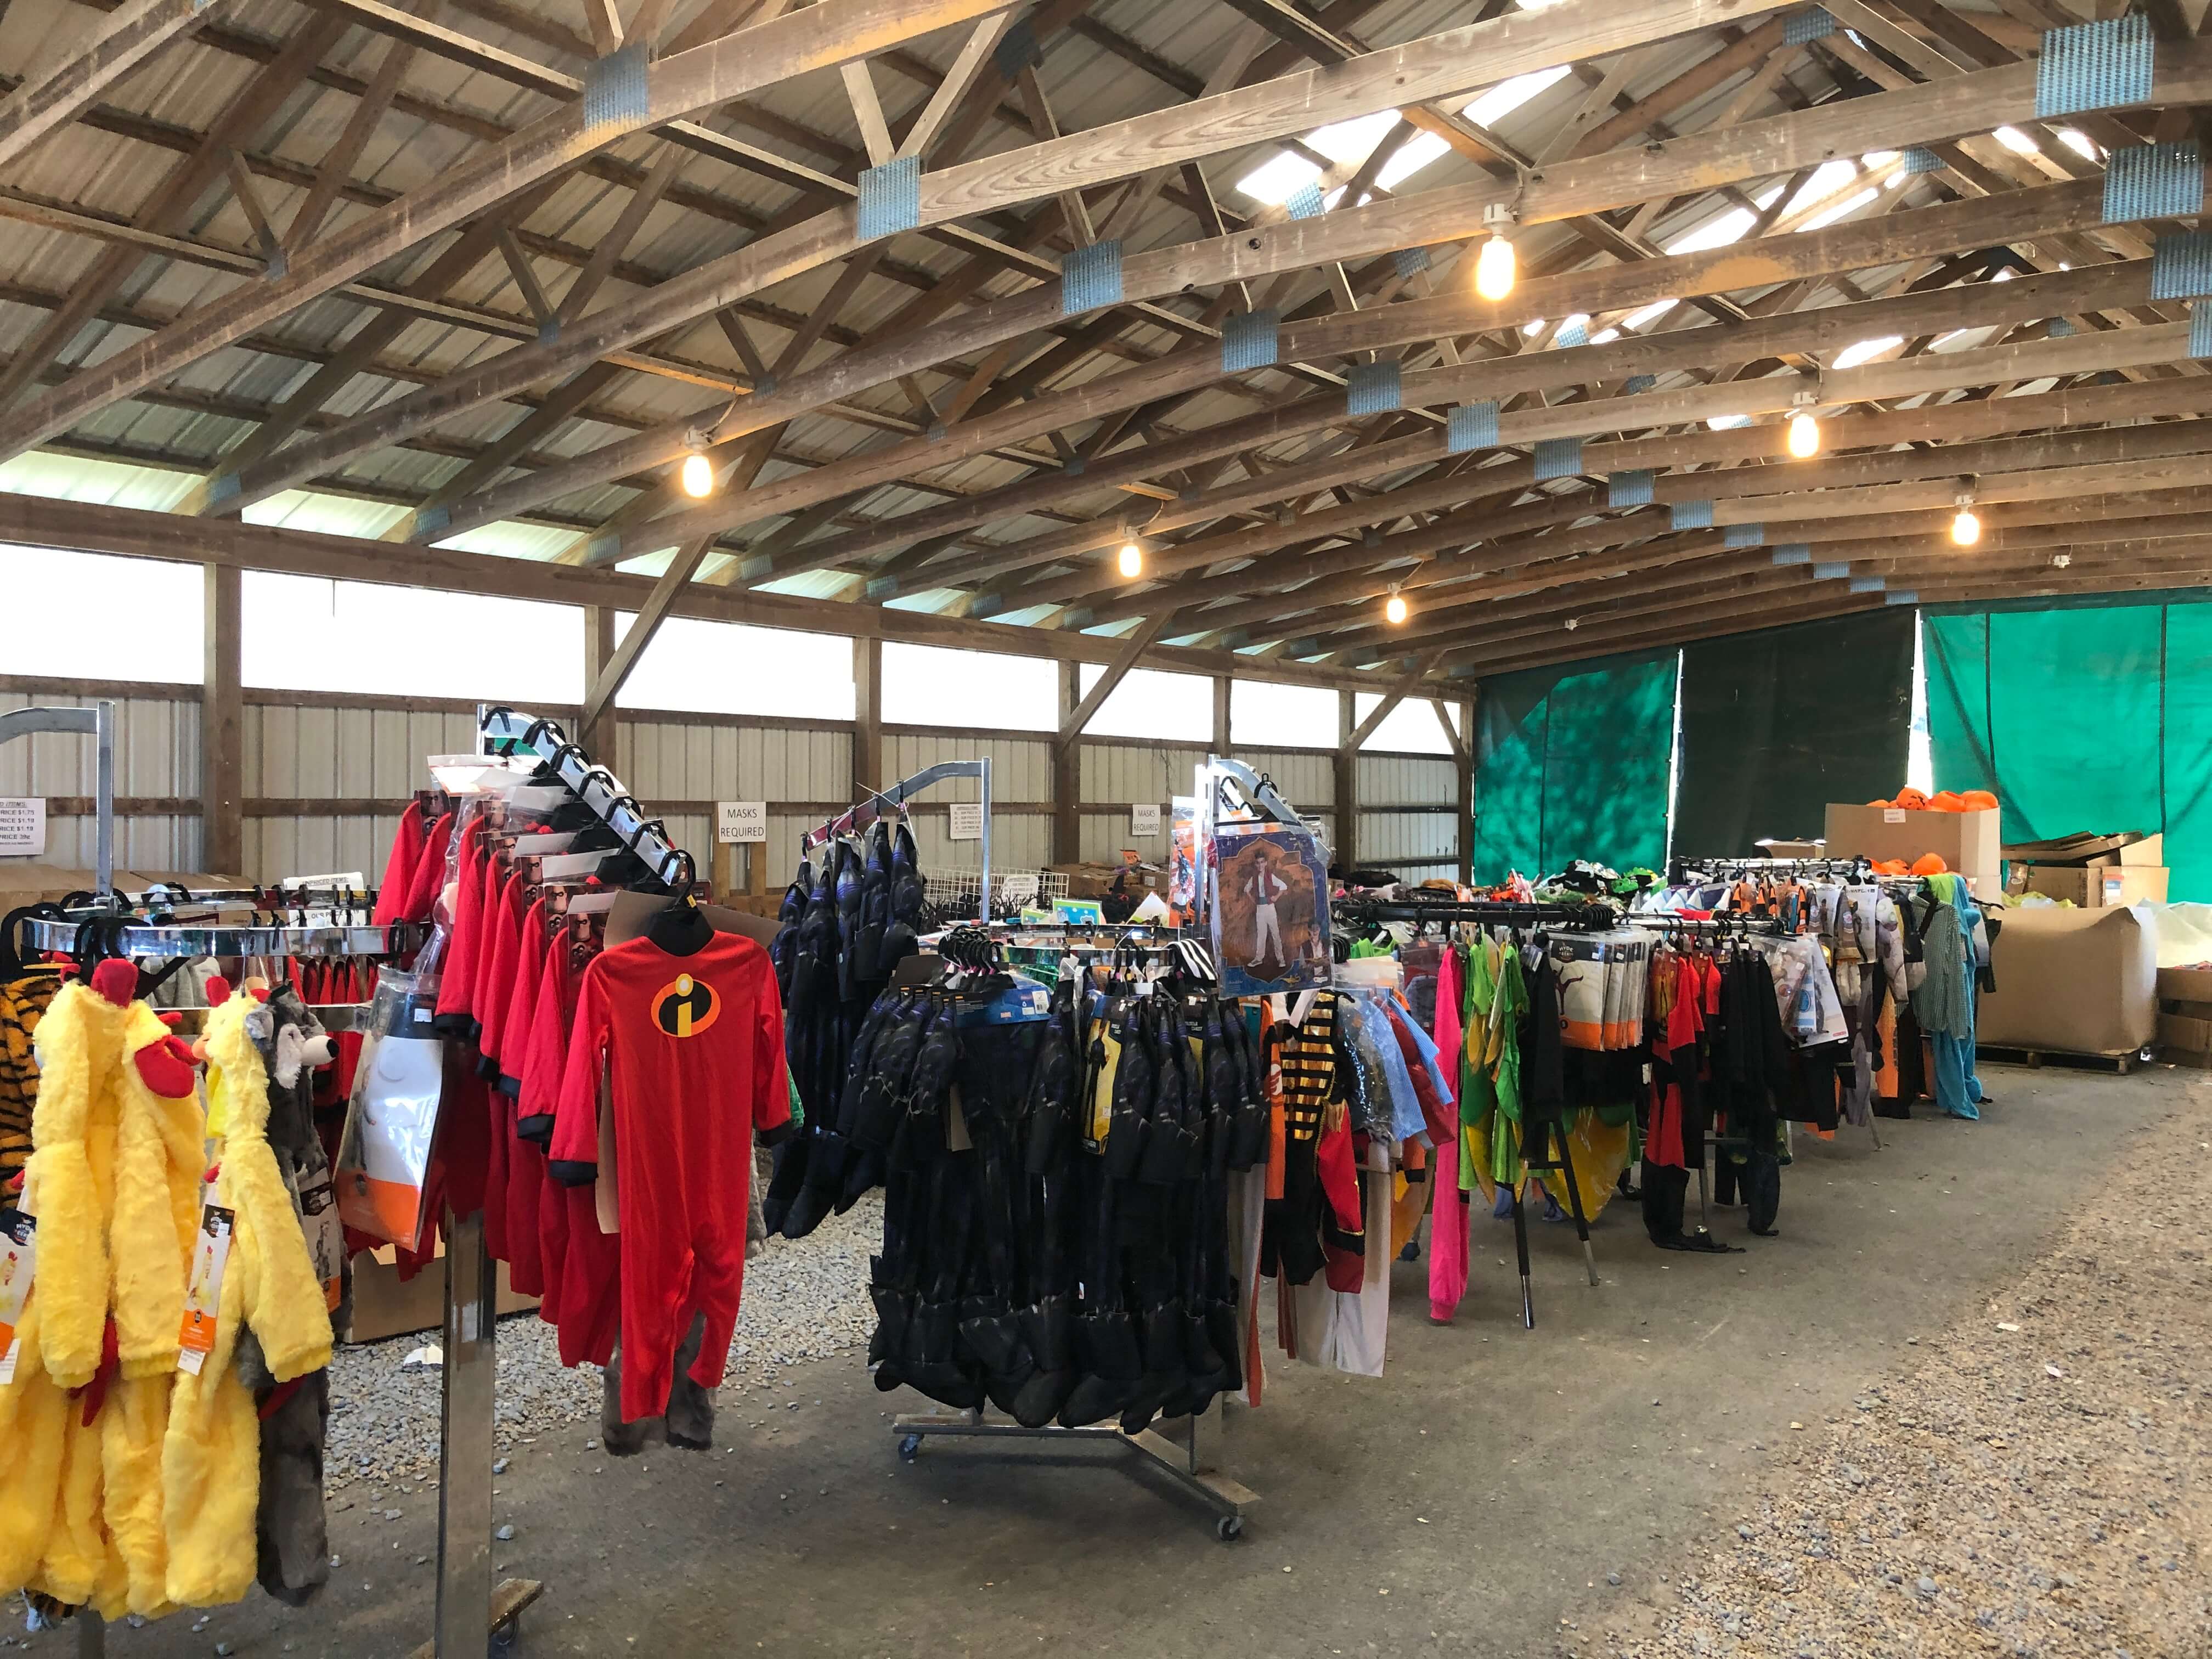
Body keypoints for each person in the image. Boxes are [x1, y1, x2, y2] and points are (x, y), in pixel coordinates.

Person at [1249, 848, 1288, 966]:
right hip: (1260, 909)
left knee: (1275, 933)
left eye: (1262, 862)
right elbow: (1247, 890)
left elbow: (1284, 886)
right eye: (1258, 863)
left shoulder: (1270, 876)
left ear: (1265, 863)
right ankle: (1259, 958)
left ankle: (1281, 959)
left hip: (1270, 908)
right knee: (1261, 934)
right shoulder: (1254, 878)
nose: (1260, 865)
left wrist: (1276, 897)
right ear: (1256, 864)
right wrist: (1254, 901)